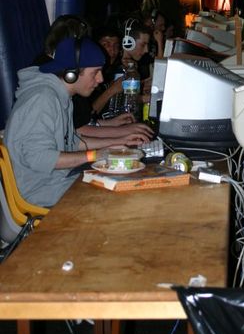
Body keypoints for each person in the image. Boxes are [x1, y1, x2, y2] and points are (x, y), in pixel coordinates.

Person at [3, 37, 152, 207]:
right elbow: (39, 158)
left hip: (57, 179)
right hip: (39, 190)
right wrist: (96, 155)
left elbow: (73, 143)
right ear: (71, 74)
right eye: (95, 72)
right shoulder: (42, 100)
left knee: (127, 178)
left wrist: (119, 142)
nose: (100, 79)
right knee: (121, 194)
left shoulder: (61, 96)